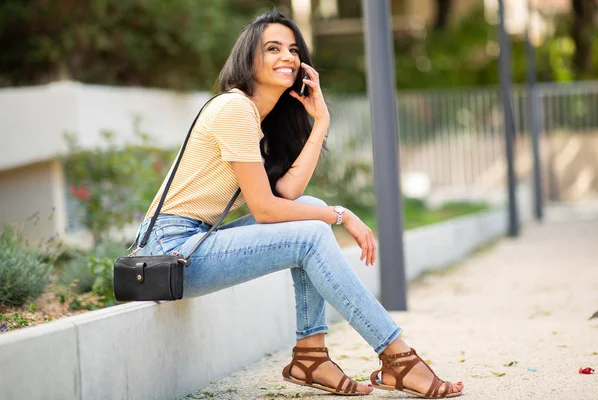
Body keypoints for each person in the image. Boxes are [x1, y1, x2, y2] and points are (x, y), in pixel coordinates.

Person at [135, 11, 463, 398]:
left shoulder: (259, 119)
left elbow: (287, 196)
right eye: (272, 48)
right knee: (311, 232)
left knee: (310, 208)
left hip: (194, 242)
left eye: (293, 49)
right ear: (248, 59)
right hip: (171, 252)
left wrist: (320, 120)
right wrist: (341, 215)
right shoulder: (234, 109)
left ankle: (311, 355)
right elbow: (266, 210)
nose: (287, 56)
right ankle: (397, 357)